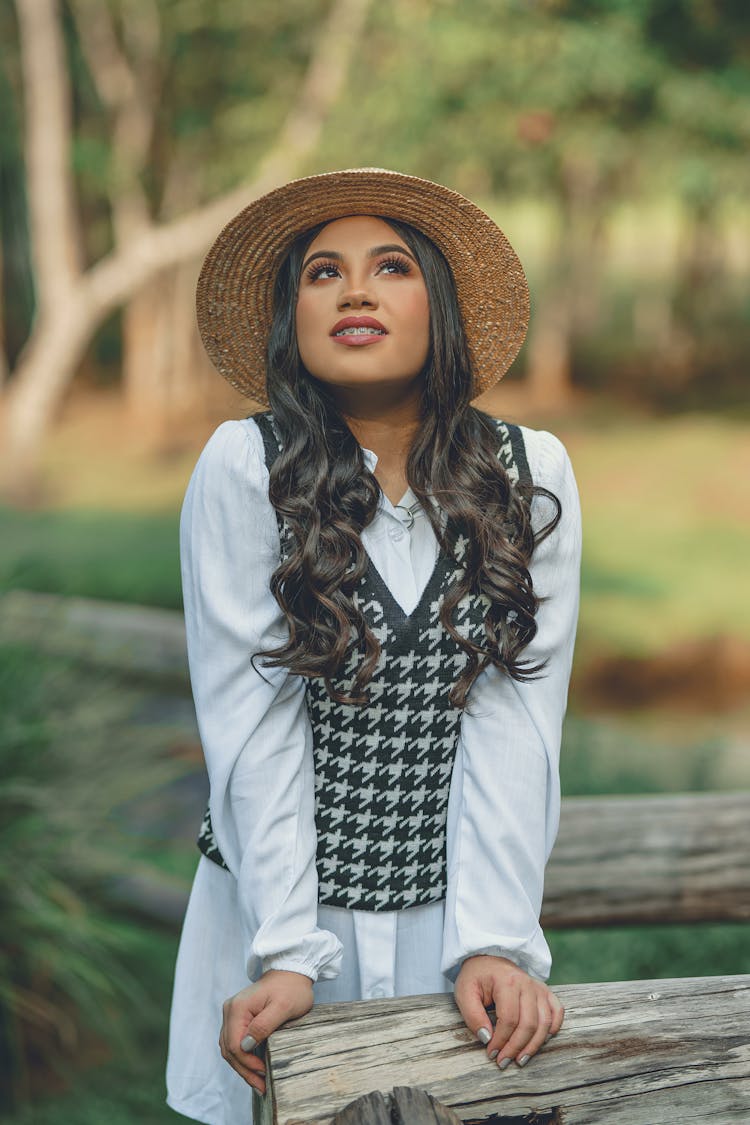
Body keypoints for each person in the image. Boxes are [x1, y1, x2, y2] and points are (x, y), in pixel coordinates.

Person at [166, 169, 581, 1125]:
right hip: (283, 913)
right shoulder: (246, 468)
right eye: (323, 273)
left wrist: (493, 942)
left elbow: (519, 721)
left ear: (436, 302)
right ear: (293, 318)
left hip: (454, 918)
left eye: (389, 266)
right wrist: (288, 949)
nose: (354, 290)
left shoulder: (531, 472)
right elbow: (251, 721)